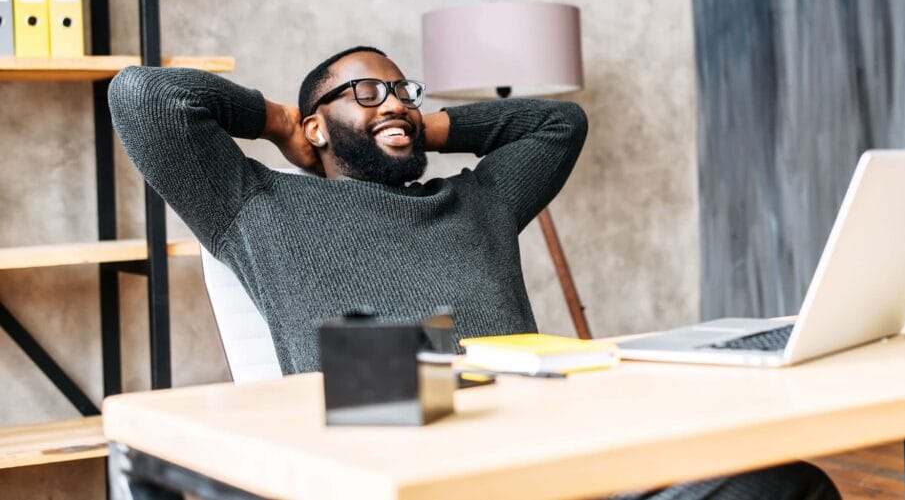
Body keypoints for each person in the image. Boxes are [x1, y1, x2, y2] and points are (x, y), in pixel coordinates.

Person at [108, 46, 838, 500]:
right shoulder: (259, 206)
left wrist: (420, 127)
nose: (393, 99)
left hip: (563, 465)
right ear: (318, 123)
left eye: (403, 90)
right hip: (409, 478)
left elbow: (559, 124)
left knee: (785, 484)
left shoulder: (479, 199)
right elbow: (143, 96)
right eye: (364, 92)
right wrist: (278, 121)